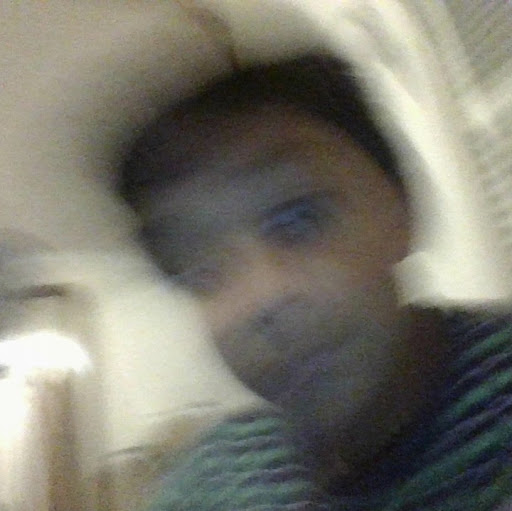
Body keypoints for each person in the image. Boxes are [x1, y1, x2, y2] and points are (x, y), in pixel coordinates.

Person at [120, 55, 512, 510]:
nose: (262, 299)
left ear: (401, 208)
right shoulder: (207, 487)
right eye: (198, 272)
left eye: (300, 219)